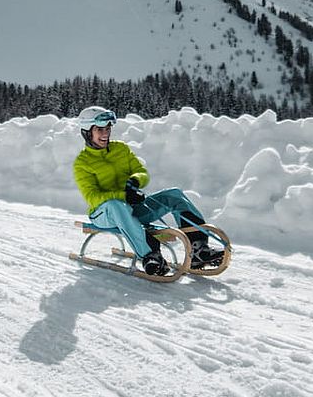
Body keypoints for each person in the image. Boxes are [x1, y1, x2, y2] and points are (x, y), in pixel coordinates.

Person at [72, 106, 223, 277]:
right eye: (100, 129)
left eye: (107, 128)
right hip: (104, 214)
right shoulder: (82, 163)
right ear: (86, 131)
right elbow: (92, 197)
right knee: (116, 205)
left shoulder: (120, 149)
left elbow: (142, 172)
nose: (105, 133)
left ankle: (198, 249)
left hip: (132, 208)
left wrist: (135, 181)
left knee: (174, 194)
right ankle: (150, 255)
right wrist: (123, 195)